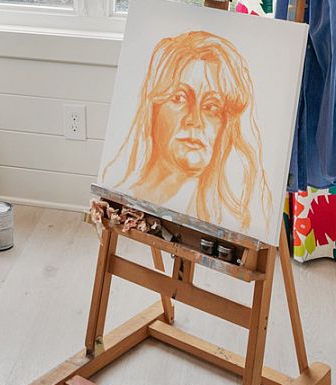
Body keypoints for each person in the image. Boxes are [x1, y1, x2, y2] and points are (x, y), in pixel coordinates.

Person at [102, 30, 272, 234]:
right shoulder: (123, 192)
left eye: (211, 107)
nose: (195, 120)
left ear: (224, 128)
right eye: (179, 98)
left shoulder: (230, 217)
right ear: (153, 109)